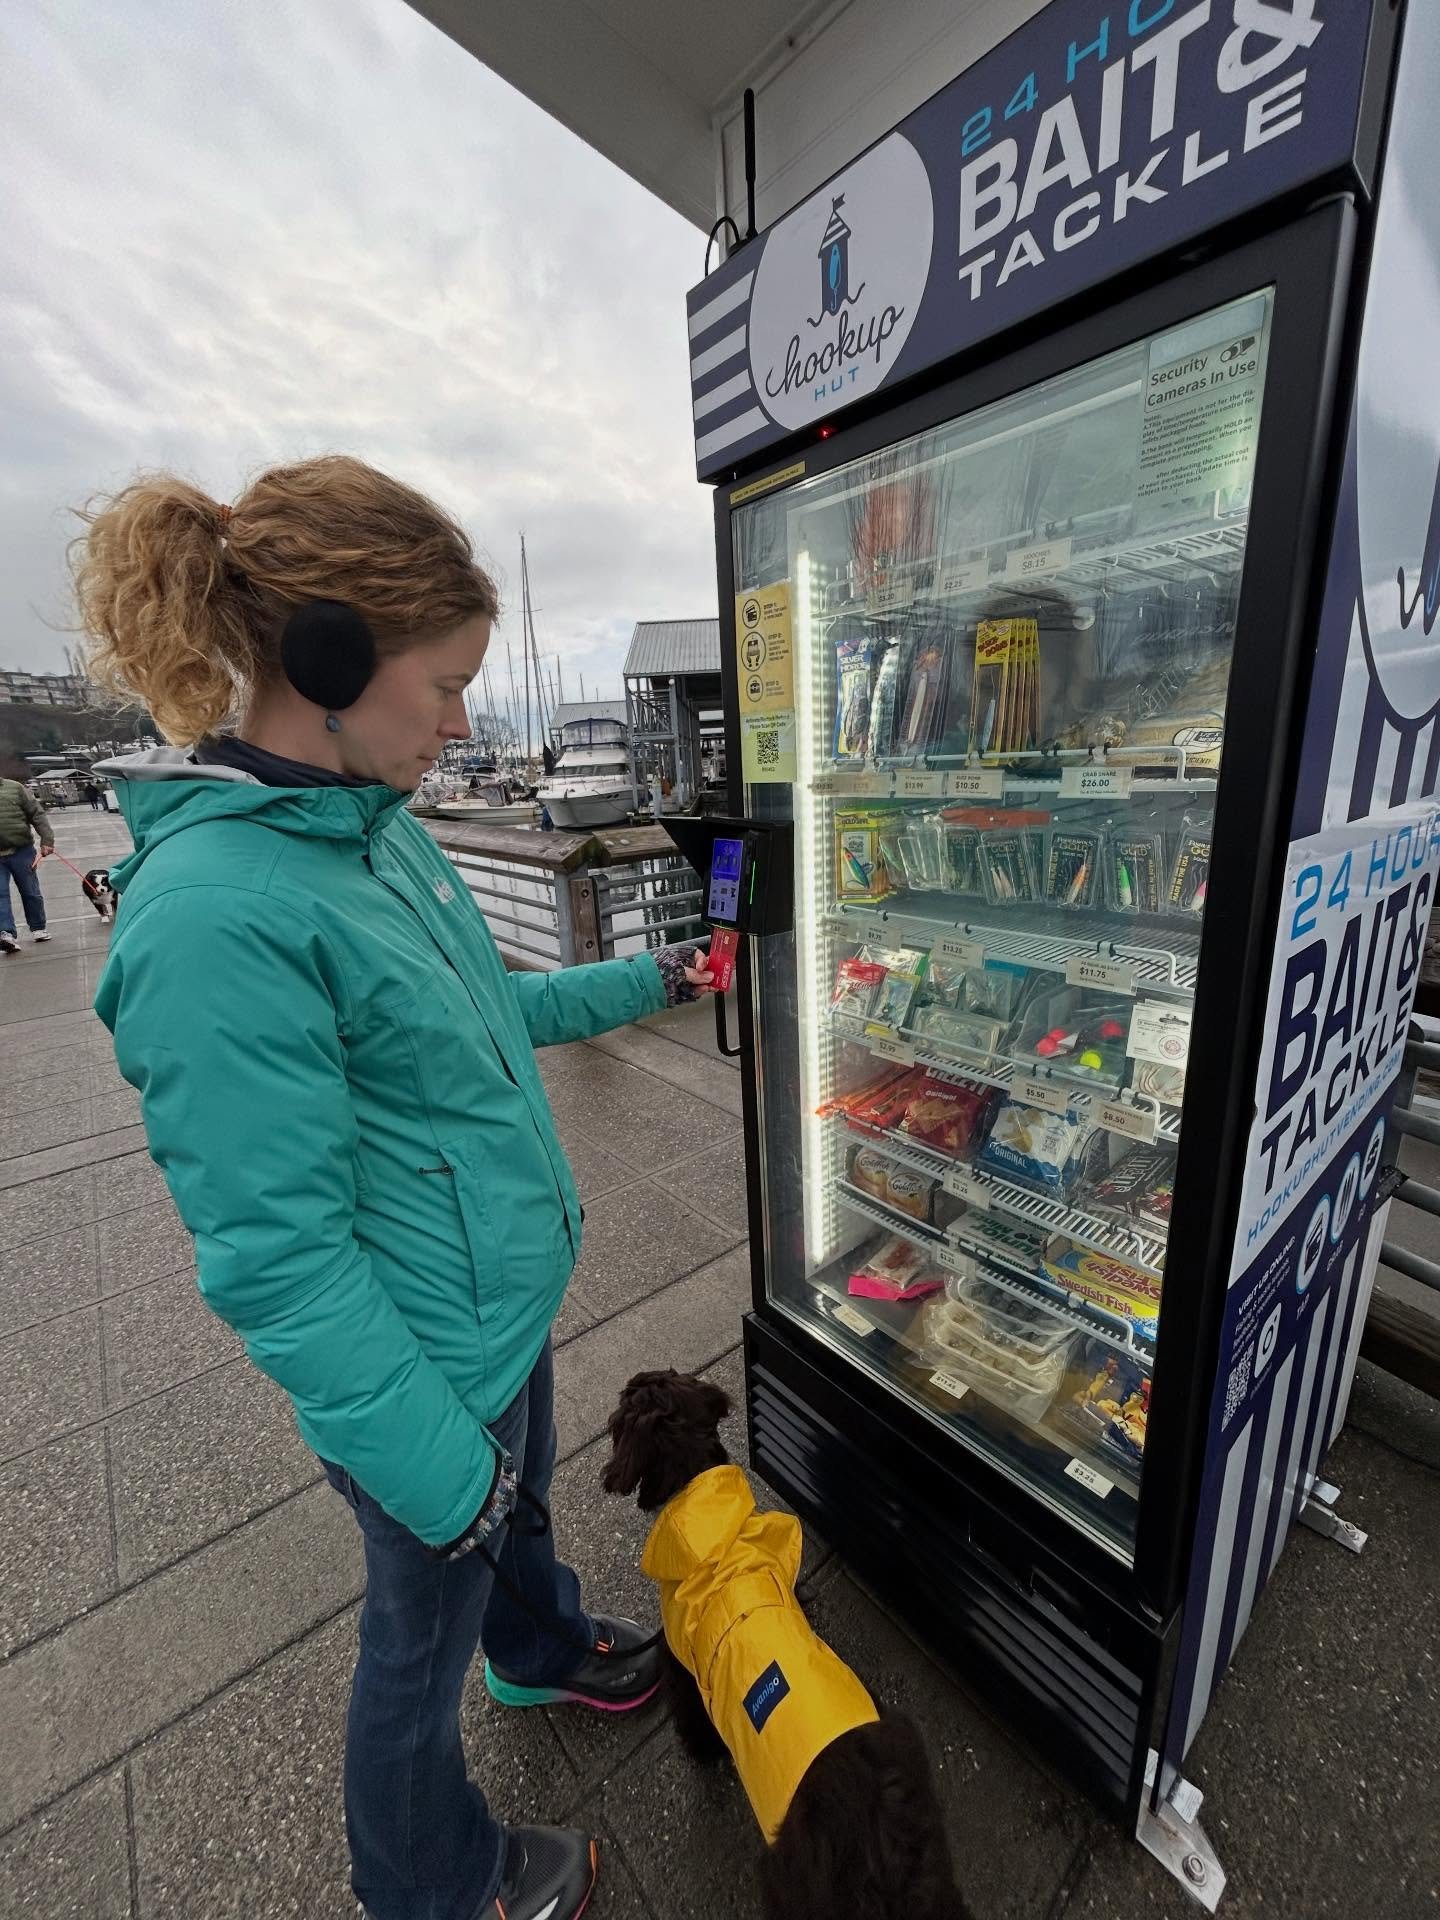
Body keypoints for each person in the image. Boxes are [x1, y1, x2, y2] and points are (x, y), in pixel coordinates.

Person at [73, 455, 716, 1920]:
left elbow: (490, 1014)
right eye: (446, 684)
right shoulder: (218, 916)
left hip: (487, 1310)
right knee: (411, 1661)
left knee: (521, 1520)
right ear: (329, 663)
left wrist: (656, 971)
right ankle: (439, 1886)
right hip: (415, 1370)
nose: (464, 718)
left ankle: (540, 1649)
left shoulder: (367, 832)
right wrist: (439, 1476)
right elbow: (279, 1266)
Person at [0, 773, 54, 954]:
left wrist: (47, 840)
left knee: (30, 891)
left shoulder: (15, 788)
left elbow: (37, 814)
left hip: (21, 850)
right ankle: (6, 934)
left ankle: (38, 927)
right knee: (0, 894)